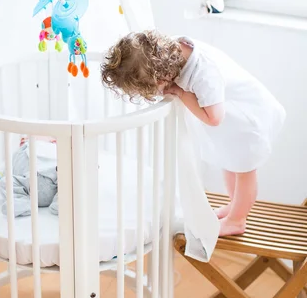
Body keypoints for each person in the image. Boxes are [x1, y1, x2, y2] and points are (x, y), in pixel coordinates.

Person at [101, 31, 285, 236]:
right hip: (235, 120)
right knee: (231, 165)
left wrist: (181, 93)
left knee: (244, 172)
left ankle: (237, 219)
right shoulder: (172, 52)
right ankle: (235, 206)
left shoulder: (204, 73)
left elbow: (214, 117)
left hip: (249, 119)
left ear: (163, 77)